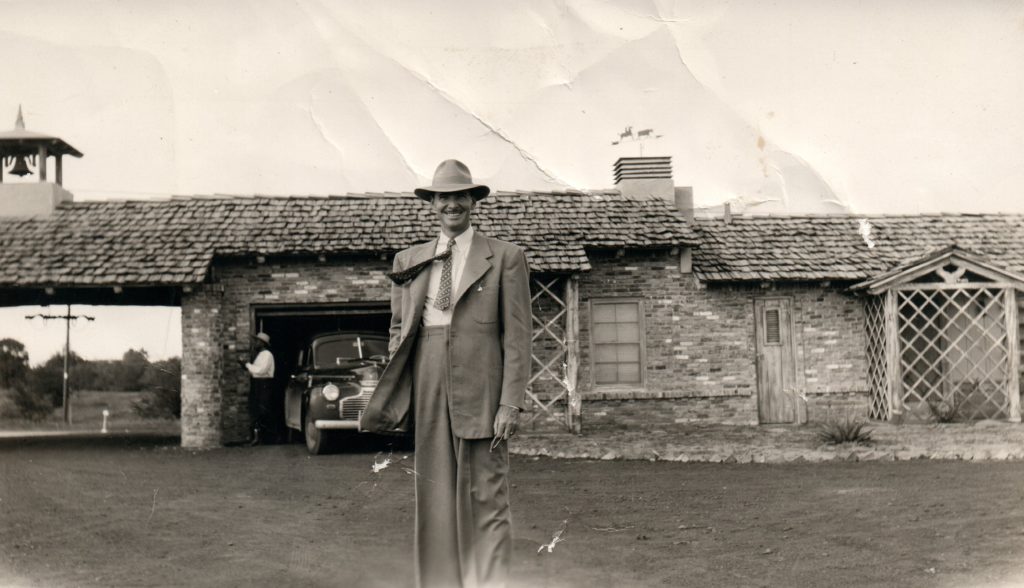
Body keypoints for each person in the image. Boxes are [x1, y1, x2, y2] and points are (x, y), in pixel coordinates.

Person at [361, 159, 531, 588]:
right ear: (432, 204)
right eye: (443, 197)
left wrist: (510, 401)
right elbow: (400, 328)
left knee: (487, 497)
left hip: (484, 389)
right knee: (435, 496)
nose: (451, 204)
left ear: (473, 201)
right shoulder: (409, 260)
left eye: (460, 196)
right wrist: (401, 390)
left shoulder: (506, 257)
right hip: (429, 382)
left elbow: (518, 336)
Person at [238, 332, 276, 446]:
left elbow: (260, 371)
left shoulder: (267, 354)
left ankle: (266, 439)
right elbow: (254, 371)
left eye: (257, 341)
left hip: (264, 383)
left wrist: (248, 365)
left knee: (263, 410)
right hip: (258, 383)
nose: (255, 343)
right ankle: (257, 438)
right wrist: (244, 365)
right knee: (255, 409)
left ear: (263, 343)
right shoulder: (260, 355)